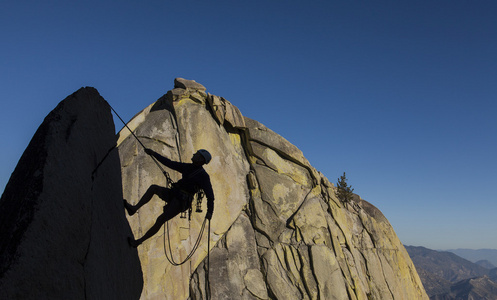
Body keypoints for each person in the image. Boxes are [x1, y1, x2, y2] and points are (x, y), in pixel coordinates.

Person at [124, 148, 214, 248]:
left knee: (160, 219)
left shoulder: (203, 176)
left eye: (197, 154)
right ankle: (134, 209)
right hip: (175, 193)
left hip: (181, 202)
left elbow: (210, 196)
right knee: (153, 188)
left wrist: (209, 212)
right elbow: (170, 163)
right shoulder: (188, 167)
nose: (194, 154)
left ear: (201, 159)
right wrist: (153, 153)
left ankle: (138, 242)